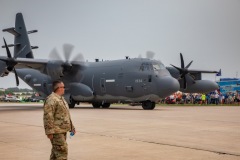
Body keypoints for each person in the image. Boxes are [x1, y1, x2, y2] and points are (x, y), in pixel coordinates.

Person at [43, 80, 76, 160]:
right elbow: (48, 116)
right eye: (63, 87)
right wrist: (49, 131)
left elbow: (65, 115)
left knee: (55, 153)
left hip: (62, 130)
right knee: (62, 152)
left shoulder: (61, 99)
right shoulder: (52, 99)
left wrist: (72, 127)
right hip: (56, 132)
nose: (64, 88)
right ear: (59, 88)